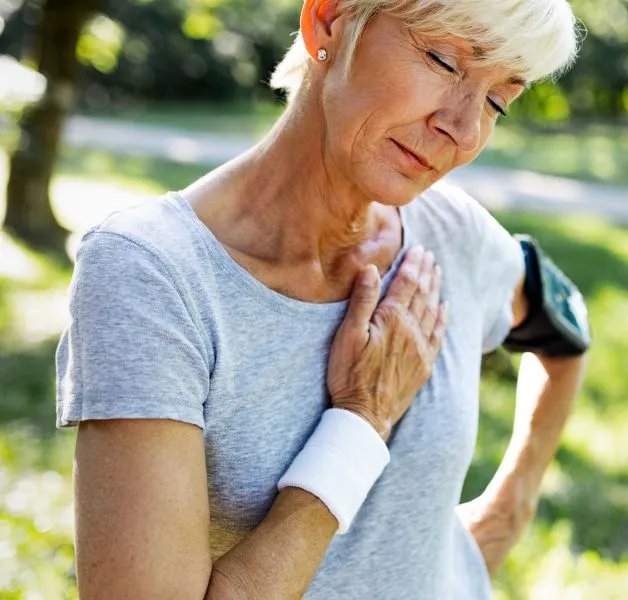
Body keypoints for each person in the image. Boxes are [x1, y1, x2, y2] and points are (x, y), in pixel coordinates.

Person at [55, 0, 587, 597]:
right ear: (328, 20)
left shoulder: (452, 233)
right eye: (443, 60)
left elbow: (565, 325)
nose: (463, 131)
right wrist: (360, 423)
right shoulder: (151, 273)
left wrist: (508, 512)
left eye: (496, 102)